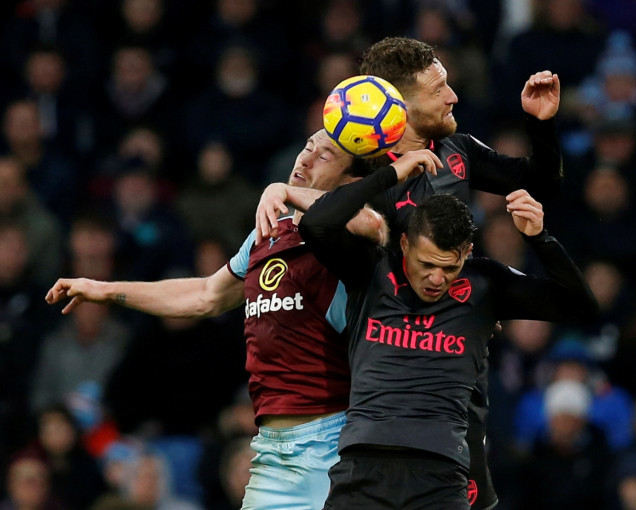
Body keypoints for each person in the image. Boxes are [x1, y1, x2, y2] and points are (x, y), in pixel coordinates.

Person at [256, 36, 564, 510]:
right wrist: (281, 189)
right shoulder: (365, 167)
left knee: (470, 487)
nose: (452, 96)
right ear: (398, 103)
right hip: (383, 354)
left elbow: (536, 181)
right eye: (438, 88)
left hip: (454, 353)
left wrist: (540, 127)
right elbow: (320, 212)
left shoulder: (458, 151)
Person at [45, 129, 378, 510]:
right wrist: (104, 290)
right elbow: (205, 295)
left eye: (325, 156)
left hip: (330, 443)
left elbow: (370, 218)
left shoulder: (349, 238)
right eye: (307, 147)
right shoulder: (266, 236)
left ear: (352, 181)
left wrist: (283, 192)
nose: (304, 159)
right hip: (271, 449)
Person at [298, 150, 598, 509]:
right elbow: (316, 224)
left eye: (450, 266)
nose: (436, 279)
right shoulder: (370, 271)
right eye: (426, 264)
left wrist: (540, 238)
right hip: (362, 466)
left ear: (467, 252)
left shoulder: (486, 284)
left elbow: (581, 307)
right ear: (405, 243)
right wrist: (390, 174)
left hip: (440, 475)